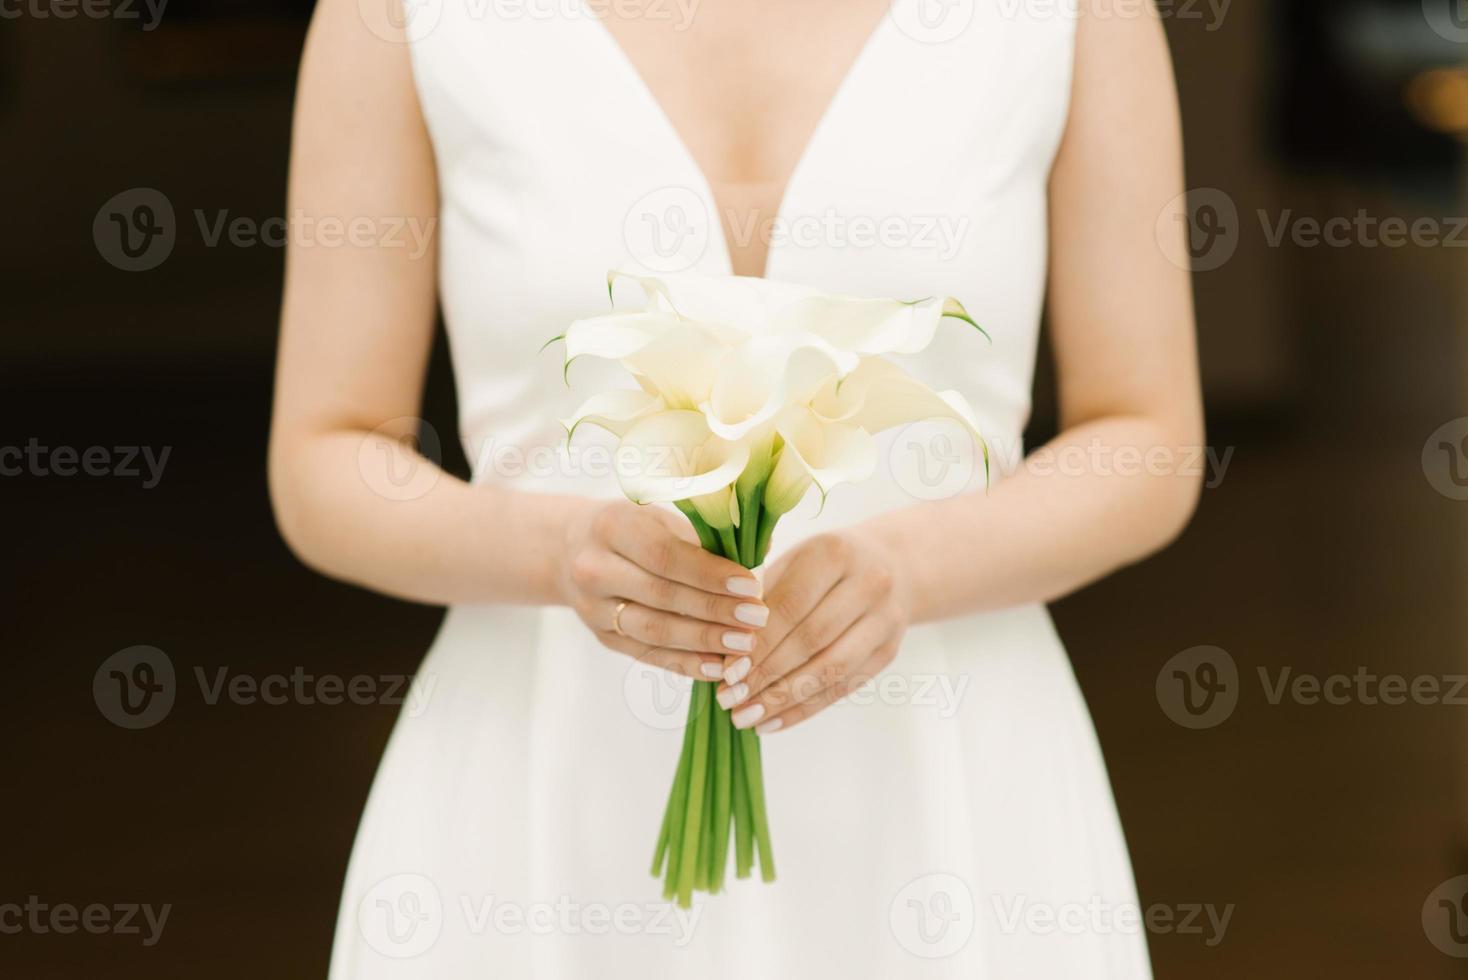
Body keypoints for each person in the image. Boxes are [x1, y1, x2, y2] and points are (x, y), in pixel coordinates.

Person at [269, 0, 1202, 974]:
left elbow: (1147, 436)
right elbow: (322, 458)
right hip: (544, 786)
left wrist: (913, 566)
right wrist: (551, 548)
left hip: (955, 782)